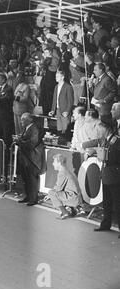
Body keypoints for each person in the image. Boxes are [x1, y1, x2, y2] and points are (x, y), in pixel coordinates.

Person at [83, 102, 120, 237]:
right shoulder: (108, 135)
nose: (98, 130)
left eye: (99, 128)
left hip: (115, 171)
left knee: (117, 201)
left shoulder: (115, 137)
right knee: (107, 201)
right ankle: (106, 223)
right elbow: (98, 143)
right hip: (106, 170)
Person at [15, 113, 46, 206]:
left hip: (32, 158)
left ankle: (33, 199)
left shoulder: (35, 128)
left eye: (22, 120)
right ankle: (28, 196)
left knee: (32, 179)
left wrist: (20, 141)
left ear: (29, 120)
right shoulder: (27, 128)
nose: (21, 122)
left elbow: (33, 142)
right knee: (26, 178)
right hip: (25, 157)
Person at [45, 154, 82, 220]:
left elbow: (58, 188)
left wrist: (49, 195)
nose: (53, 164)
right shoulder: (66, 170)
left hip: (73, 197)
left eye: (54, 162)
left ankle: (65, 212)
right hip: (75, 196)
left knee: (51, 193)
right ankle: (72, 209)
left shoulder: (62, 172)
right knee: (53, 193)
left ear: (59, 163)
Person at [49, 70, 74, 139]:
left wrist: (67, 111)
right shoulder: (56, 87)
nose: (56, 78)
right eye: (55, 76)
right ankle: (60, 142)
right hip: (58, 110)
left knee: (65, 129)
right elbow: (54, 99)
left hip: (65, 111)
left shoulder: (68, 87)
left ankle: (65, 143)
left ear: (62, 77)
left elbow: (70, 101)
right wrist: (52, 110)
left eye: (57, 76)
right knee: (59, 129)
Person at [13, 71, 32, 135]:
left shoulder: (26, 86)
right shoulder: (17, 85)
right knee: (16, 128)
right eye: (17, 77)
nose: (17, 78)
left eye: (19, 77)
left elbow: (25, 98)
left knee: (22, 128)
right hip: (15, 109)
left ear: (22, 78)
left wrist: (16, 98)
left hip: (21, 110)